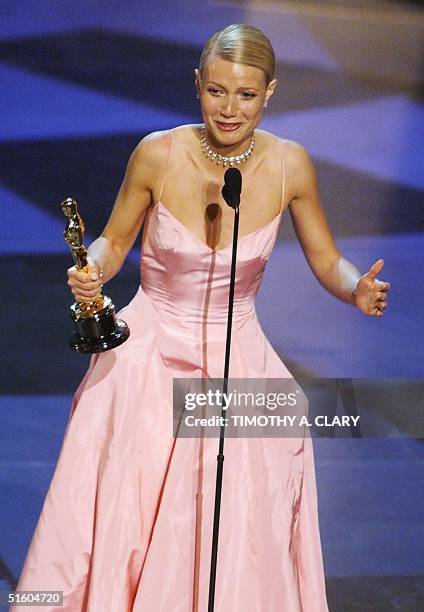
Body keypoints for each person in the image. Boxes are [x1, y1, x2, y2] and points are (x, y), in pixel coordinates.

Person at [12, 23, 390, 611]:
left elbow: (328, 260)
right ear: (197, 85)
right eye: (217, 91)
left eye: (245, 94)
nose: (230, 109)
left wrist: (355, 290)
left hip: (239, 362)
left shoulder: (291, 165)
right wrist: (93, 271)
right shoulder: (157, 154)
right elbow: (113, 241)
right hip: (149, 356)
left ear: (270, 93)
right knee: (127, 516)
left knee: (242, 513)